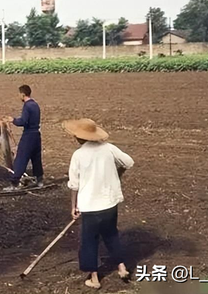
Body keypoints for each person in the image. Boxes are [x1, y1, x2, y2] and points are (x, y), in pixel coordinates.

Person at [63, 118, 134, 289]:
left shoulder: (78, 155)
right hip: (109, 203)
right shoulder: (109, 149)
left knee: (89, 241)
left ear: (80, 137)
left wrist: (74, 206)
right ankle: (122, 268)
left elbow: (74, 184)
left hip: (90, 206)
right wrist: (118, 174)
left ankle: (94, 279)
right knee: (111, 235)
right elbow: (128, 162)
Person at [3, 85, 43, 191]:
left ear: (22, 94)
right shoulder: (35, 105)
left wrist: (13, 120)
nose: (18, 96)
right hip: (36, 135)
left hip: (28, 135)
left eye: (19, 94)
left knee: (21, 158)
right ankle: (39, 180)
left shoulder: (27, 106)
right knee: (36, 158)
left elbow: (23, 121)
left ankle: (14, 183)